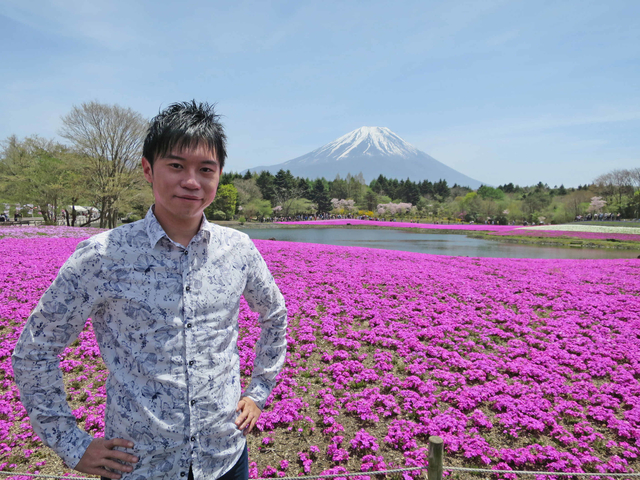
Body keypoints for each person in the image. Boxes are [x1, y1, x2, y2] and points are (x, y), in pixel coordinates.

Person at [12, 101, 288, 480]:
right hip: (140, 467)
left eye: (205, 169)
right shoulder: (102, 256)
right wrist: (71, 444)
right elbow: (35, 349)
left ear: (219, 175)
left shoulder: (238, 249)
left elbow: (275, 313)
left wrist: (258, 392)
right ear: (147, 169)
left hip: (224, 456)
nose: (192, 181)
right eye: (176, 166)